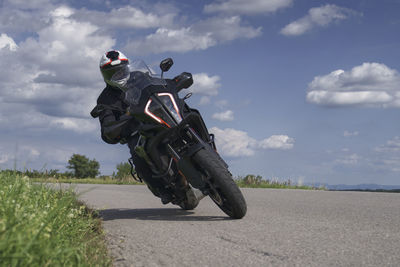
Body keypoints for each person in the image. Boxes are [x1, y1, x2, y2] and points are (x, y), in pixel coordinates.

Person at [91, 50, 173, 204]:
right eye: (112, 74)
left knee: (186, 114)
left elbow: (159, 85)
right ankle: (161, 189)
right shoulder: (105, 99)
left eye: (121, 71)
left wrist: (172, 83)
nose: (118, 76)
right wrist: (124, 119)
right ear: (105, 76)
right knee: (138, 156)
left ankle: (210, 155)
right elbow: (107, 127)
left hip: (159, 119)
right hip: (137, 132)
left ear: (127, 67)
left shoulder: (139, 76)